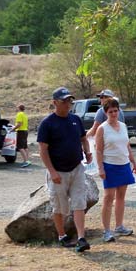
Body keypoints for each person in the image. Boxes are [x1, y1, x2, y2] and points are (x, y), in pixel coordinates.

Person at [37, 87, 92, 253]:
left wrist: (87, 151)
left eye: (70, 101)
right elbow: (43, 150)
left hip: (76, 168)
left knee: (79, 203)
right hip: (58, 172)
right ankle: (62, 236)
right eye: (64, 101)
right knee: (59, 207)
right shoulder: (47, 123)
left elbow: (84, 138)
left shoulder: (75, 119)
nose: (68, 104)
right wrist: (52, 172)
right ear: (55, 103)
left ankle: (81, 238)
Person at [95, 98, 136, 242]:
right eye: (110, 112)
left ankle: (119, 226)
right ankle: (106, 231)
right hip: (110, 165)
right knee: (109, 198)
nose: (114, 114)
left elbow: (127, 145)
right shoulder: (102, 128)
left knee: (121, 196)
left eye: (115, 111)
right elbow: (99, 150)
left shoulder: (123, 126)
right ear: (105, 112)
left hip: (124, 164)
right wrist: (101, 168)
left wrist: (133, 161)